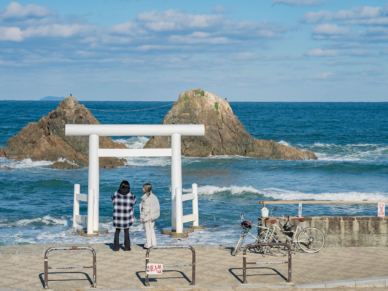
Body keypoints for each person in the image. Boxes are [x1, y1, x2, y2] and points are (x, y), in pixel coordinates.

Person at [111, 180, 136, 251]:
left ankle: (116, 247)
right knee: (126, 231)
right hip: (126, 217)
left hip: (117, 216)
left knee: (117, 231)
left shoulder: (115, 194)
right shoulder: (131, 195)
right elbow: (134, 202)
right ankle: (127, 247)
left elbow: (112, 201)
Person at [139, 183, 160, 249]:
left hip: (148, 216)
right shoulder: (154, 196)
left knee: (147, 230)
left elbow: (146, 209)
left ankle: (148, 245)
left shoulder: (146, 198)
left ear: (145, 189)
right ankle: (154, 244)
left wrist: (142, 217)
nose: (142, 189)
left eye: (143, 188)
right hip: (153, 216)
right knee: (152, 229)